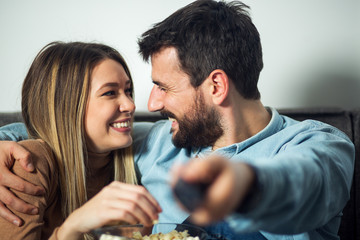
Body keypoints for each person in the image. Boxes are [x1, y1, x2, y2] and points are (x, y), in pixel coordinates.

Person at [0, 1, 355, 239]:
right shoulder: (157, 142)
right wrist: (5, 141)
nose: (150, 103)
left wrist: (245, 184)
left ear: (216, 85)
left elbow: (307, 182)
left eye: (163, 87)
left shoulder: (321, 144)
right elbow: (68, 129)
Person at [0, 41, 161, 239]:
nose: (130, 105)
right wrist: (74, 226)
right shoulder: (29, 162)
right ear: (66, 108)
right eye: (110, 93)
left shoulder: (140, 161)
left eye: (128, 91)